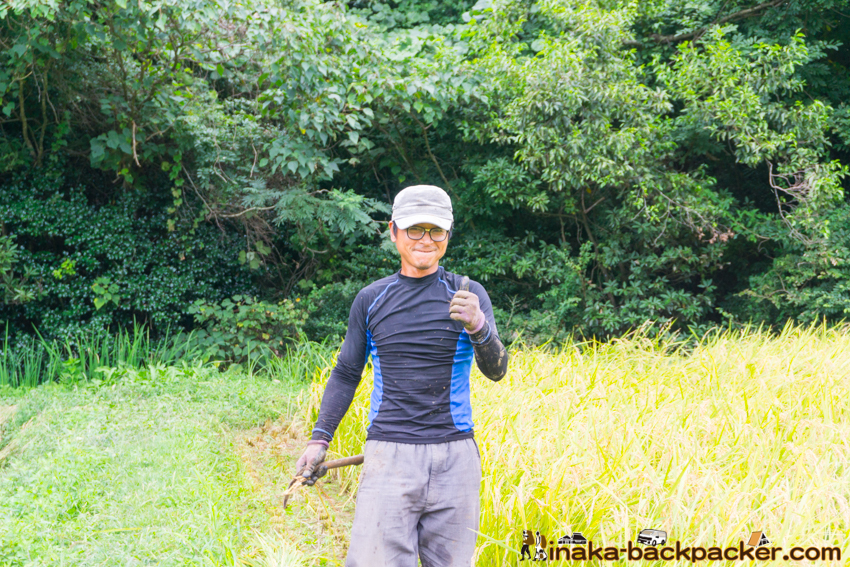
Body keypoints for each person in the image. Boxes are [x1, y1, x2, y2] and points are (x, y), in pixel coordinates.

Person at [295, 184, 509, 566]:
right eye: (414, 230)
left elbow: (497, 370)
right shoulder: (371, 299)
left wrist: (479, 326)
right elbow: (346, 373)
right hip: (388, 458)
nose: (425, 240)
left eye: (435, 231)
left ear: (448, 235)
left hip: (455, 459)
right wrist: (319, 439)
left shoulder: (468, 294)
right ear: (394, 231)